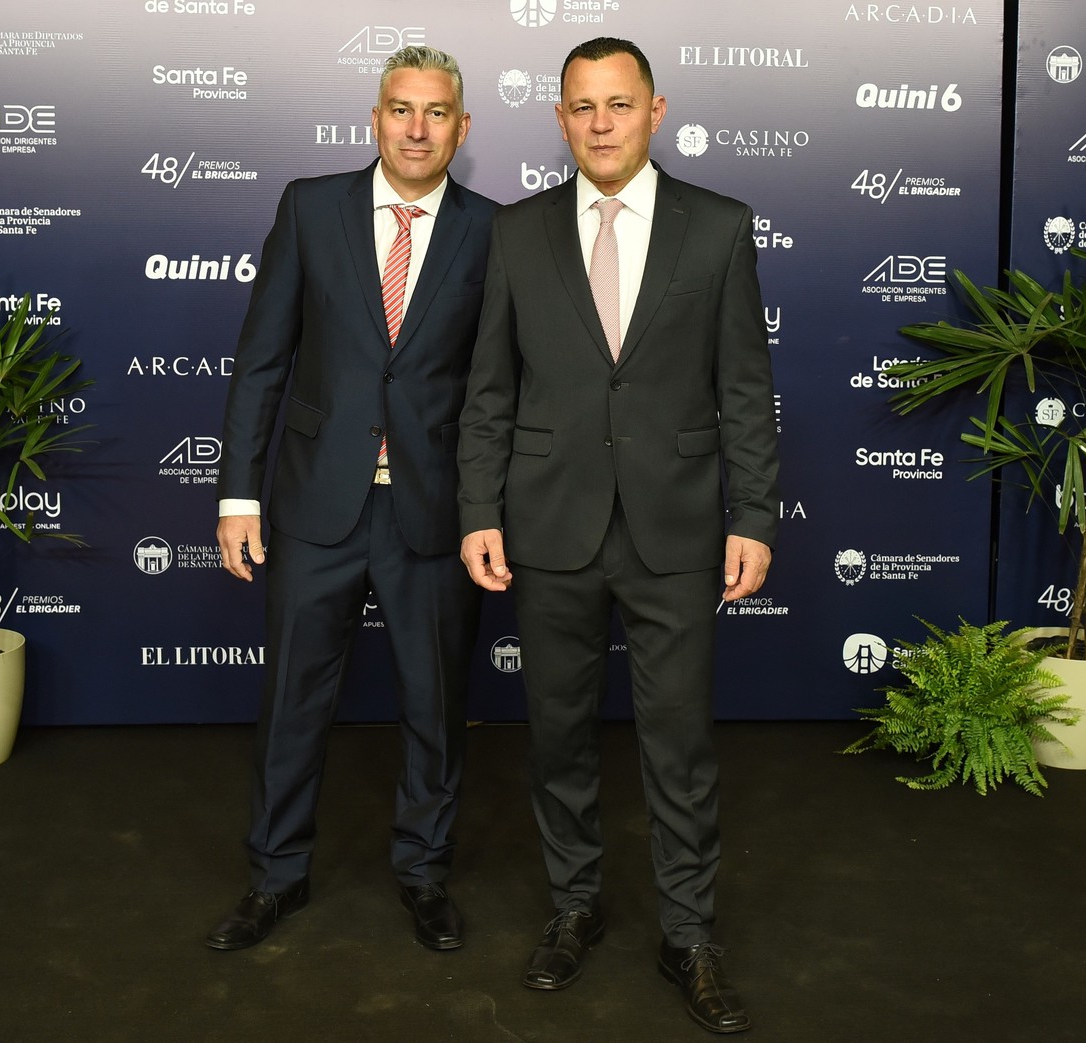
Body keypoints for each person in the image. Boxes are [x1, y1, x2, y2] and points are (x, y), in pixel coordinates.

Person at [457, 37, 780, 1034]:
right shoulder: (514, 233)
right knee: (556, 736)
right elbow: (489, 393)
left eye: (617, 103)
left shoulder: (717, 228)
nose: (599, 122)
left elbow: (741, 388)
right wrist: (477, 508)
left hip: (674, 530)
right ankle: (573, 906)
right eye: (582, 106)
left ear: (654, 110)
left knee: (677, 743)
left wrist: (753, 515)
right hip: (546, 526)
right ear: (560, 119)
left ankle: (687, 934)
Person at [208, 45, 496, 955]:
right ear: (374, 119)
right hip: (312, 506)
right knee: (293, 699)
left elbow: (501, 390)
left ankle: (423, 872)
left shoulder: (497, 230)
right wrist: (237, 496)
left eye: (437, 112)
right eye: (401, 109)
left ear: (462, 126)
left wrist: (491, 510)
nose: (417, 128)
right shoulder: (309, 207)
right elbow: (261, 363)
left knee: (435, 705)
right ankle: (274, 876)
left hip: (433, 512)